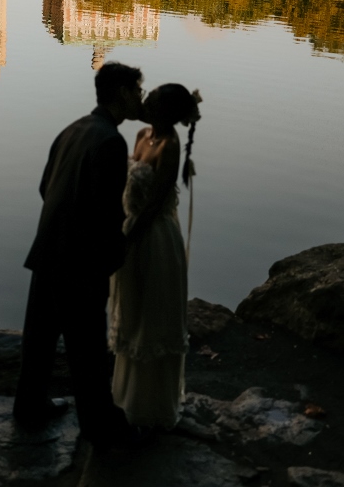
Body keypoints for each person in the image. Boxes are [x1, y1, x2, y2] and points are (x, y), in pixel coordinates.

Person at [14, 62, 144, 445]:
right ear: (123, 93)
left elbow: (45, 186)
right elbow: (106, 210)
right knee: (87, 347)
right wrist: (116, 253)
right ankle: (100, 427)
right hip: (79, 259)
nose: (141, 97)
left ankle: (29, 406)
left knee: (39, 339)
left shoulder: (73, 129)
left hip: (47, 248)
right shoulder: (111, 141)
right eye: (137, 90)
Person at [108, 83, 200, 429]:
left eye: (152, 102)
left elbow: (157, 202)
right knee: (131, 313)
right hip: (130, 228)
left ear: (167, 113)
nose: (144, 104)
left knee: (152, 318)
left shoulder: (170, 145)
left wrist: (128, 238)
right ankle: (125, 398)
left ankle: (153, 407)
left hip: (154, 239)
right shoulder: (140, 135)